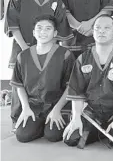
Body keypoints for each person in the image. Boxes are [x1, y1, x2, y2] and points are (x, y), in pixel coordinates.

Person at [63, 15, 113, 147]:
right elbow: (76, 92)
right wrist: (76, 118)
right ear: (92, 31)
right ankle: (98, 130)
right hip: (93, 112)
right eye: (97, 28)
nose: (101, 31)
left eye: (107, 28)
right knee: (72, 139)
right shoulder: (83, 58)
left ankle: (107, 128)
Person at [10, 15, 76, 143]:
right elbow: (19, 85)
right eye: (39, 28)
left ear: (55, 33)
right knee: (22, 136)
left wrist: (57, 110)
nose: (43, 32)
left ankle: (46, 125)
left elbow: (71, 86)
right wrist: (25, 108)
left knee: (53, 136)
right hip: (33, 106)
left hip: (57, 105)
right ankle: (39, 124)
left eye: (48, 29)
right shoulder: (23, 56)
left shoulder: (65, 54)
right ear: (34, 33)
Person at [5, 0, 72, 69]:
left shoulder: (56, 1)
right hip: (22, 49)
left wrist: (45, 49)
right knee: (21, 83)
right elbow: (13, 25)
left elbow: (60, 27)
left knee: (49, 83)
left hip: (49, 52)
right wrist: (25, 48)